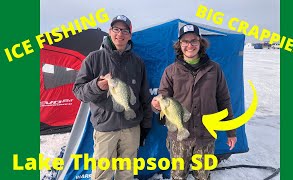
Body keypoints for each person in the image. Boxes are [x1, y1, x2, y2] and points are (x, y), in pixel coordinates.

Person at [151, 24, 237, 180]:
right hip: (178, 137)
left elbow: (224, 100)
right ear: (179, 44)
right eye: (185, 41)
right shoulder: (170, 71)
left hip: (206, 136)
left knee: (203, 176)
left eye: (193, 41)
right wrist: (156, 105)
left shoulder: (215, 69)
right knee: (178, 176)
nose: (189, 45)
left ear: (200, 43)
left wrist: (231, 132)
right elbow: (162, 97)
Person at [73, 15, 152, 180]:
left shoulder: (138, 62)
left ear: (130, 35)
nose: (120, 34)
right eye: (116, 29)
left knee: (127, 173)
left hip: (131, 128)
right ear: (109, 32)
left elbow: (144, 96)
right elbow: (79, 91)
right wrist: (97, 86)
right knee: (102, 175)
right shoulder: (94, 58)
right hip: (105, 128)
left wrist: (145, 126)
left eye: (124, 30)